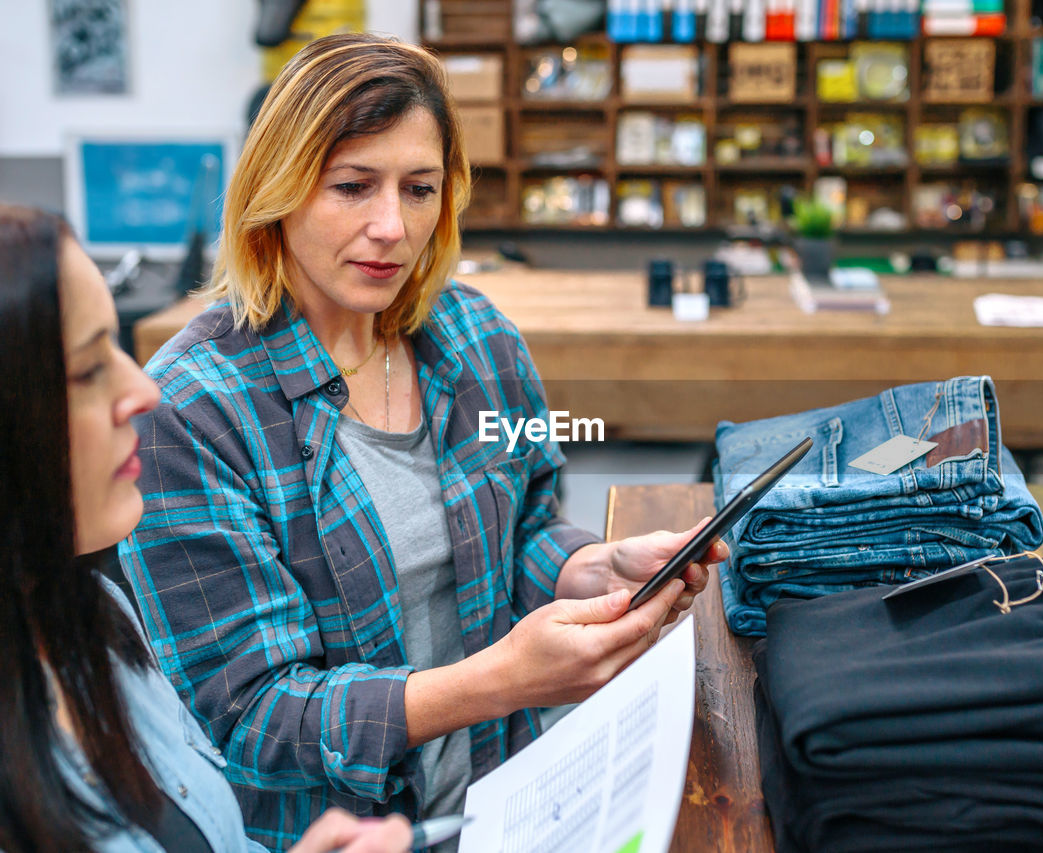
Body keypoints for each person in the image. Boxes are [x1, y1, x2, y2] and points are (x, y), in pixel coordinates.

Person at [118, 33, 725, 852]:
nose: (390, 227)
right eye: (352, 186)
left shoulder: (476, 339)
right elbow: (252, 714)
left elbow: (528, 522)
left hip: (507, 800)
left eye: (420, 189)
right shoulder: (189, 412)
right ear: (278, 188)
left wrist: (588, 567)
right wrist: (500, 680)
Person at [0, 203, 413, 852]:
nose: (143, 391)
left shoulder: (93, 611)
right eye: (86, 370)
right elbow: (259, 709)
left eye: (420, 188)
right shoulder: (206, 402)